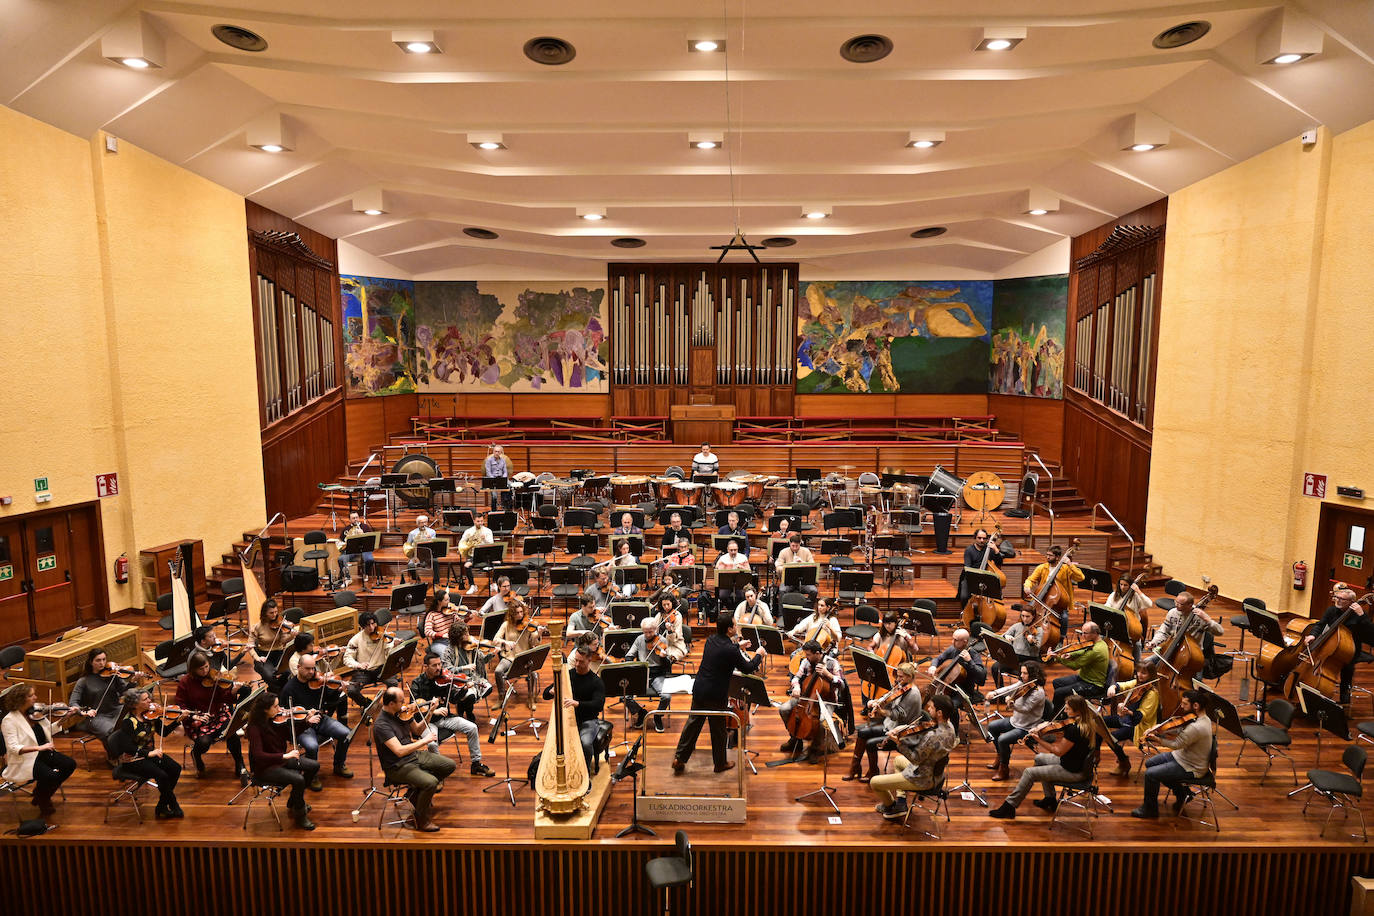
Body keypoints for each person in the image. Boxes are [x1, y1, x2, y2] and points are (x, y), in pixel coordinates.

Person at [672, 617, 766, 774]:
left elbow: (724, 651)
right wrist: (759, 655)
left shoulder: (711, 640)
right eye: (735, 625)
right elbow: (748, 668)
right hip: (716, 694)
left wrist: (737, 646)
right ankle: (720, 763)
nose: (736, 627)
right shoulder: (731, 650)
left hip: (700, 688)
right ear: (729, 629)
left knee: (693, 725)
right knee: (718, 729)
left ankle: (679, 758)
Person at [988, 694, 1098, 819]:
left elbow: (1057, 751)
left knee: (1029, 772)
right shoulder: (1086, 723)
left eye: (1067, 709)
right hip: (1075, 762)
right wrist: (1046, 724)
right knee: (1039, 758)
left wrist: (1038, 739)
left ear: (1078, 711)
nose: (1065, 711)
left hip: (1073, 770)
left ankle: (1009, 807)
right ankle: (1050, 799)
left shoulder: (1074, 730)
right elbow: (1061, 727)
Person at [374, 686, 457, 832]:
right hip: (397, 766)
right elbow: (399, 751)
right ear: (391, 704)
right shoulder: (381, 725)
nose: (406, 704)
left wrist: (430, 712)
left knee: (449, 765)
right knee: (431, 783)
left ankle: (415, 793)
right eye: (401, 701)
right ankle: (421, 820)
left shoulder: (403, 714)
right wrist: (424, 741)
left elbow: (418, 730)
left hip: (413, 756)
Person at [869, 694, 959, 820]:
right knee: (898, 761)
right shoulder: (950, 727)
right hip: (936, 774)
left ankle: (890, 805)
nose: (928, 710)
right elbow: (929, 727)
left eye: (931, 708)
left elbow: (915, 758)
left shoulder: (932, 737)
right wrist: (904, 728)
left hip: (922, 779)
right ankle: (901, 802)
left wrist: (898, 742)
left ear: (939, 713)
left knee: (874, 782)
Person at [408, 651, 494, 776]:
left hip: (445, 718)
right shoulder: (417, 683)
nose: (439, 668)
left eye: (439, 664)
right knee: (432, 744)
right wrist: (433, 710)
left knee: (472, 728)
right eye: (434, 665)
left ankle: (476, 764)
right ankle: (438, 772)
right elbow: (414, 706)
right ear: (425, 666)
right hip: (427, 721)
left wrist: (464, 689)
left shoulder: (444, 679)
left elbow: (453, 699)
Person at [1133, 689, 1213, 818]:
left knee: (1150, 774)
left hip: (1191, 766)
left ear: (1196, 706)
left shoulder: (1197, 727)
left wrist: (1158, 739)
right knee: (1150, 763)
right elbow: (1180, 728)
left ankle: (1150, 810)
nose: (1181, 707)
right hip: (1183, 756)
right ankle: (1183, 793)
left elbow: (1176, 744)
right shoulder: (1202, 718)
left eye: (1185, 704)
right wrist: (1159, 728)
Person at [2, 684, 77, 818]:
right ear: (20, 699)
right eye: (31, 695)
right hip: (26, 759)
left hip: (44, 753)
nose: (35, 697)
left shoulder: (36, 712)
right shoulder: (9, 720)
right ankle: (43, 800)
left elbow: (49, 730)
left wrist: (64, 719)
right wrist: (39, 747)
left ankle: (40, 794)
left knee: (69, 764)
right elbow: (13, 748)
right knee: (50, 776)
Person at [245, 693, 319, 829]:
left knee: (314, 766)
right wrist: (285, 756)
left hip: (279, 760)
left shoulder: (276, 720)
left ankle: (294, 800)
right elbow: (258, 755)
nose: (280, 709)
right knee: (298, 779)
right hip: (264, 768)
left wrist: (307, 722)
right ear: (265, 709)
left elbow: (292, 735)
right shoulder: (254, 728)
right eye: (276, 706)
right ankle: (300, 813)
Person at [278, 654, 354, 786]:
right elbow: (284, 717)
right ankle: (311, 776)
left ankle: (339, 765)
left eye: (313, 668)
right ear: (298, 667)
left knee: (346, 734)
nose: (311, 672)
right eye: (308, 669)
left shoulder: (318, 682)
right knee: (312, 747)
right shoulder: (289, 689)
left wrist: (338, 690)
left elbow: (330, 702)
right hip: (301, 726)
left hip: (320, 719)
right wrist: (306, 719)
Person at [106, 687, 182, 819]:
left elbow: (164, 732)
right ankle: (173, 805)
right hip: (133, 760)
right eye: (145, 699)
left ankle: (162, 805)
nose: (150, 701)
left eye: (149, 698)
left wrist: (179, 720)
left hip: (150, 755)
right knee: (162, 775)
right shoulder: (128, 722)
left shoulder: (151, 715)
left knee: (175, 768)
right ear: (135, 704)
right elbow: (127, 747)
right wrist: (148, 754)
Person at [174, 650, 247, 780]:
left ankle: (239, 763)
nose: (205, 671)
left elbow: (225, 698)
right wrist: (193, 716)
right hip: (196, 719)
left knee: (232, 735)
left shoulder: (215, 678)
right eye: (201, 669)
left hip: (218, 714)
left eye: (207, 666)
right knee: (204, 743)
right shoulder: (185, 683)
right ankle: (196, 754)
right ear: (193, 669)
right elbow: (180, 705)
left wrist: (234, 691)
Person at [846, 662, 923, 781]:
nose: (898, 679)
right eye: (898, 676)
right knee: (862, 732)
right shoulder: (901, 686)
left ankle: (873, 771)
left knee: (870, 743)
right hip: (890, 726)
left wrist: (882, 712)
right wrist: (877, 701)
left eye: (901, 676)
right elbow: (889, 696)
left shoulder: (913, 694)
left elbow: (897, 715)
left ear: (910, 677)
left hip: (902, 734)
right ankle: (855, 767)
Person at [777, 640, 849, 760]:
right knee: (784, 709)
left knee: (821, 721)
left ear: (817, 653)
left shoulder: (832, 663)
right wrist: (797, 686)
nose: (806, 657)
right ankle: (795, 739)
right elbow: (796, 677)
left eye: (809, 654)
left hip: (827, 700)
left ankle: (815, 748)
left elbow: (842, 685)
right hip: (806, 697)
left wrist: (828, 674)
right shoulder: (806, 662)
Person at [1301, 587, 1374, 705]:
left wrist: (1362, 616)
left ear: (1351, 602)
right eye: (1337, 597)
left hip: (1351, 649)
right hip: (1331, 645)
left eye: (1342, 599)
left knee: (1347, 668)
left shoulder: (1359, 615)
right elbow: (1320, 624)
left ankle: (1345, 700)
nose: (1337, 601)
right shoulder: (1331, 610)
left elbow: (1371, 635)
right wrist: (1313, 635)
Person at [985, 661, 1048, 781]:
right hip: (1015, 721)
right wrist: (995, 693)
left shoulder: (1039, 693)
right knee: (992, 727)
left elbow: (1025, 709)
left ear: (1033, 675)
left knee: (1003, 740)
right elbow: (1010, 688)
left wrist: (1010, 702)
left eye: (1025, 673)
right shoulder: (1024, 683)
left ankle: (1004, 768)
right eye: (1022, 673)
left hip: (1027, 728)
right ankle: (1000, 756)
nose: (1022, 676)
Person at [623, 615, 684, 732]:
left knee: (666, 696)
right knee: (625, 696)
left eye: (650, 632)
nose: (648, 635)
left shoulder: (663, 640)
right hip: (641, 673)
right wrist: (631, 664)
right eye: (645, 632)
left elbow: (668, 665)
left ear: (656, 630)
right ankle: (641, 713)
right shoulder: (639, 639)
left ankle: (658, 716)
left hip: (657, 675)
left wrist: (663, 658)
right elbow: (629, 656)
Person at [1104, 660, 1161, 776]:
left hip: (1139, 727)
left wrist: (1127, 711)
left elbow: (1139, 718)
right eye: (1138, 671)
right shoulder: (1138, 683)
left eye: (1143, 673)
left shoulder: (1152, 694)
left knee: (1111, 738)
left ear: (1151, 675)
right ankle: (1095, 755)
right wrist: (1113, 687)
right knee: (1099, 722)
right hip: (1128, 720)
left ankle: (1124, 762)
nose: (1139, 675)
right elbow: (1123, 685)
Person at [67, 648, 133, 742]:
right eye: (98, 660)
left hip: (117, 710)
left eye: (104, 659)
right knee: (112, 732)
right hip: (97, 717)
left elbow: (125, 692)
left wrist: (133, 682)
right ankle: (114, 754)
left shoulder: (112, 675)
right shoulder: (83, 681)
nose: (102, 663)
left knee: (135, 722)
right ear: (90, 662)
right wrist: (84, 713)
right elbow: (73, 702)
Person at [1147, 590, 1224, 666]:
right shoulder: (1172, 612)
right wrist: (1154, 642)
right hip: (1171, 649)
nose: (1176, 605)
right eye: (1176, 602)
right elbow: (1163, 631)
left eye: (1181, 604)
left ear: (1190, 605)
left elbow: (1220, 632)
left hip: (1191, 656)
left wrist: (1207, 619)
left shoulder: (1200, 618)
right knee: (1145, 663)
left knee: (1195, 677)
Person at [1047, 621, 1110, 713]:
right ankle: (1066, 711)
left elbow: (1075, 665)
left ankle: (1055, 716)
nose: (1083, 636)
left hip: (1093, 685)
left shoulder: (1097, 650)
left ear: (1095, 633)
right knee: (1057, 682)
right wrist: (1071, 654)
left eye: (1085, 633)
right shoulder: (1099, 642)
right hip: (1084, 678)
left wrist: (1058, 658)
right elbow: (1084, 650)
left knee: (1059, 693)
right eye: (1082, 632)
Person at [928, 628, 987, 721]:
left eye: (956, 640)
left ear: (965, 642)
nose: (952, 642)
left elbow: (982, 676)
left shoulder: (973, 655)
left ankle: (955, 733)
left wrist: (970, 661)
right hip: (948, 687)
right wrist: (933, 666)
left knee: (950, 707)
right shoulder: (953, 649)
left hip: (963, 691)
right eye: (953, 639)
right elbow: (938, 659)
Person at [564, 641, 607, 769]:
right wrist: (551, 691)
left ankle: (585, 773)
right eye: (576, 660)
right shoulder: (569, 675)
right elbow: (545, 695)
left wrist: (577, 704)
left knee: (585, 744)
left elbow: (598, 705)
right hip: (568, 719)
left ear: (589, 660)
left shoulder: (596, 682)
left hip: (589, 720)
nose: (577, 664)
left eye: (581, 662)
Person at [492, 600, 546, 701]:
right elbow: (495, 640)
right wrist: (506, 642)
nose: (520, 615)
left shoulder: (528, 625)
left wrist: (539, 633)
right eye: (517, 613)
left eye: (521, 612)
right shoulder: (506, 624)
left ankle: (530, 698)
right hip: (509, 657)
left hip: (524, 657)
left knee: (533, 675)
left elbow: (534, 642)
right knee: (498, 671)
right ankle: (501, 697)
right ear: (512, 614)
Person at [343, 611, 399, 706]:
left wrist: (394, 645)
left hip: (382, 669)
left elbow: (388, 653)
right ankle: (367, 704)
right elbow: (347, 658)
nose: (372, 628)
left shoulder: (383, 635)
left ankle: (387, 705)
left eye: (373, 623)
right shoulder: (356, 639)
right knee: (351, 690)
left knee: (393, 684)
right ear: (362, 627)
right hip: (364, 672)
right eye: (368, 625)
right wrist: (358, 665)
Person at [1023, 545, 1084, 632]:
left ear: (1057, 557)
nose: (1047, 557)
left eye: (1050, 555)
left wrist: (1070, 564)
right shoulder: (1042, 567)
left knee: (1064, 618)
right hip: (1042, 599)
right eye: (1047, 554)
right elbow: (1031, 579)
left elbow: (1081, 577)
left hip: (1058, 602)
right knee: (1026, 612)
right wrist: (1027, 586)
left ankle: (1061, 640)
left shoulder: (1066, 568)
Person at [956, 528, 1016, 606]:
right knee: (964, 597)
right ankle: (964, 614)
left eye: (984, 538)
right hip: (970, 578)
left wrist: (996, 550)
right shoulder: (969, 550)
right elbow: (968, 567)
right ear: (975, 538)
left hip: (985, 578)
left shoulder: (989, 549)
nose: (981, 540)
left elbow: (999, 562)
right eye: (979, 538)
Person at [990, 605, 1043, 688]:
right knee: (995, 667)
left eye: (1027, 616)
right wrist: (1006, 637)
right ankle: (1001, 693)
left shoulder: (1039, 630)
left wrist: (1032, 642)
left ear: (1033, 616)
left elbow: (1038, 647)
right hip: (1014, 658)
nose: (1025, 619)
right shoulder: (1017, 626)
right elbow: (1002, 636)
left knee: (1026, 675)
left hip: (1029, 660)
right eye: (1023, 616)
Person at [248, 599, 296, 688]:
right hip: (264, 656)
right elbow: (250, 646)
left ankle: (278, 691)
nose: (275, 615)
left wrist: (291, 636)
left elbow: (282, 640)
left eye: (276, 612)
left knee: (289, 673)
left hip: (280, 654)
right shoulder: (257, 627)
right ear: (264, 613)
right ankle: (277, 692)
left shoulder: (279, 623)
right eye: (271, 613)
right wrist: (257, 658)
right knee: (271, 676)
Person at [1106, 575, 1152, 663]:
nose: (1122, 587)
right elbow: (1107, 607)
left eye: (1125, 585)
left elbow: (1149, 604)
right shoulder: (1114, 595)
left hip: (1131, 628)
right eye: (1121, 584)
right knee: (1103, 636)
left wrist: (1138, 591)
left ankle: (1137, 664)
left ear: (1130, 585)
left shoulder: (1135, 597)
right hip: (1116, 625)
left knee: (1137, 645)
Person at [456, 511, 494, 593]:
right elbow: (462, 542)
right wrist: (461, 549)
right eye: (478, 521)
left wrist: (484, 539)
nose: (480, 523)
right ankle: (472, 585)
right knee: (466, 565)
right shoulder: (468, 531)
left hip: (485, 556)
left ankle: (493, 583)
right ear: (474, 521)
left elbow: (491, 544)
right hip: (472, 555)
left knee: (497, 561)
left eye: (481, 521)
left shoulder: (488, 531)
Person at [775, 533, 818, 601]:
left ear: (800, 543)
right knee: (782, 590)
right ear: (789, 544)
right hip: (788, 582)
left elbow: (812, 565)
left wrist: (802, 563)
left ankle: (807, 608)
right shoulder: (783, 552)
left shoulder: (806, 551)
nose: (795, 548)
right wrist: (790, 565)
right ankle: (782, 611)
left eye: (797, 546)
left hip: (804, 582)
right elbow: (778, 568)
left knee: (814, 591)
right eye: (793, 546)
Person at [337, 511, 374, 584]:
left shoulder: (365, 527)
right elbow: (341, 541)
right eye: (353, 518)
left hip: (365, 549)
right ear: (350, 520)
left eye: (357, 517)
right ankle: (347, 577)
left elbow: (370, 540)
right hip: (352, 550)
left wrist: (363, 534)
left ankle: (365, 573)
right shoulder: (346, 529)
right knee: (341, 559)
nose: (356, 519)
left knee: (369, 559)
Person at [714, 539, 752, 608]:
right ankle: (730, 607)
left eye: (735, 550)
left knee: (742, 595)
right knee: (723, 596)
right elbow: (718, 572)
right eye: (731, 550)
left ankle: (738, 609)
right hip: (726, 584)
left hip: (740, 584)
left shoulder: (743, 558)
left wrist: (742, 568)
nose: (733, 552)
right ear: (727, 550)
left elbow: (749, 572)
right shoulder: (723, 559)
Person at [484, 445, 513, 510]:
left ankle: (506, 507)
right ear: (493, 452)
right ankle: (494, 510)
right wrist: (495, 480)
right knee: (494, 496)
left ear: (501, 453)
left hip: (501, 478)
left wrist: (503, 479)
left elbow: (505, 471)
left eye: (498, 451)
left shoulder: (503, 460)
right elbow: (488, 472)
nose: (497, 453)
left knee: (510, 486)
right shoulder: (489, 460)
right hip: (492, 479)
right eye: (495, 451)